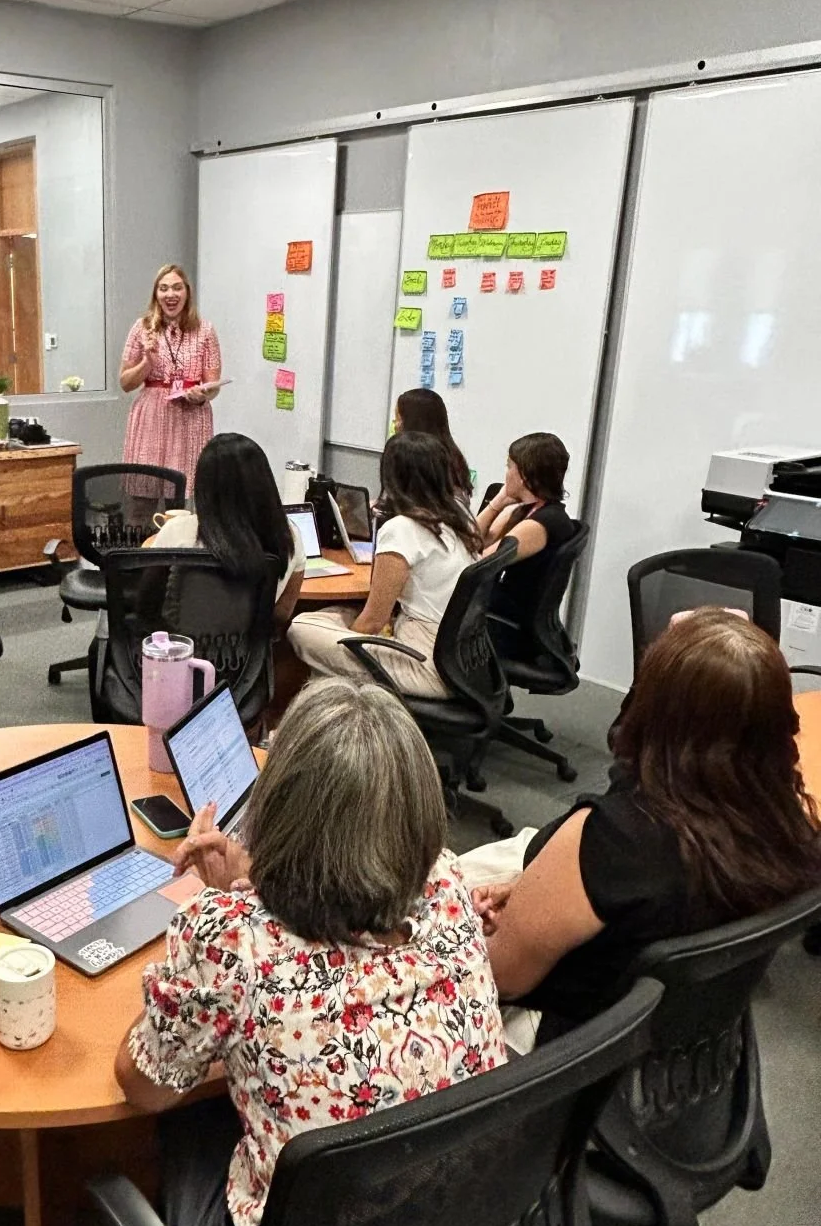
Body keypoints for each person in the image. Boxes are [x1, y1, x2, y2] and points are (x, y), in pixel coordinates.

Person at [106, 679, 505, 1226]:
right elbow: (352, 903)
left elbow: (144, 1086)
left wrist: (226, 912)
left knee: (184, 1128)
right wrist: (249, 889)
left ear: (278, 808)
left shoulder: (231, 937)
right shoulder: (450, 884)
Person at [474, 610, 821, 1041]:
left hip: (567, 1053)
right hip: (685, 1054)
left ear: (654, 709)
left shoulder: (613, 838)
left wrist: (456, 924)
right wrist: (539, 894)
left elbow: (500, 977)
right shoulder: (790, 828)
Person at [288, 432, 480, 697]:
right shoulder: (459, 518)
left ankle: (320, 712)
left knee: (300, 627)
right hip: (462, 660)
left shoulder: (403, 529)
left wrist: (347, 641)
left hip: (425, 664)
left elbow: (372, 622)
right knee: (330, 614)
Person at [149, 432, 305, 626]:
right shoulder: (289, 537)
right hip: (246, 654)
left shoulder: (177, 531)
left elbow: (148, 602)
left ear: (204, 486)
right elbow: (281, 614)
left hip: (180, 650)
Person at [120, 264, 222, 498]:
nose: (170, 295)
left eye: (177, 288)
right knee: (142, 499)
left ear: (187, 292)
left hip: (191, 418)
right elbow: (125, 383)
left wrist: (201, 396)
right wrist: (147, 361)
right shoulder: (142, 328)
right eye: (163, 289)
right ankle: (143, 536)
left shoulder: (205, 330)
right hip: (151, 418)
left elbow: (213, 384)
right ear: (156, 294)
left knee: (182, 503)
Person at [478, 432, 576, 658]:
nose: (506, 474)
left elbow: (479, 563)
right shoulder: (526, 510)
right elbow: (475, 541)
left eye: (509, 466)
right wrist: (498, 502)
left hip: (510, 628)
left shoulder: (541, 523)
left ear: (524, 475)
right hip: (502, 609)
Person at [393, 387, 472, 501]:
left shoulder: (428, 464)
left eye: (399, 419)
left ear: (414, 423)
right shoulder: (451, 457)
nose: (395, 425)